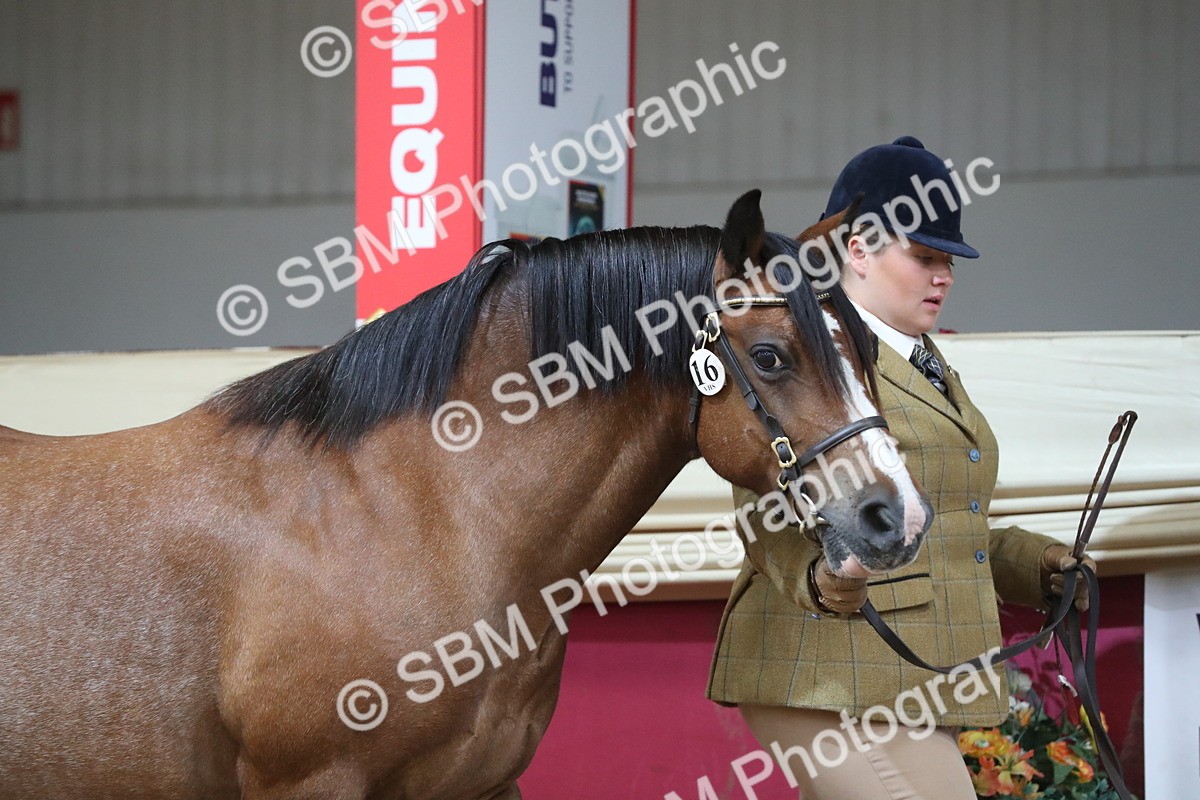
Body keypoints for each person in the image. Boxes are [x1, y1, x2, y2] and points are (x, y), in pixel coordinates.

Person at [706, 136, 1094, 799]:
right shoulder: (817, 357)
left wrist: (1040, 564)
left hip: (905, 675)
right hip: (820, 667)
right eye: (924, 256)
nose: (943, 274)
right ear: (857, 249)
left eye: (948, 259)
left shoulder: (929, 364)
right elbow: (764, 503)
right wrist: (824, 578)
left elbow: (947, 526)